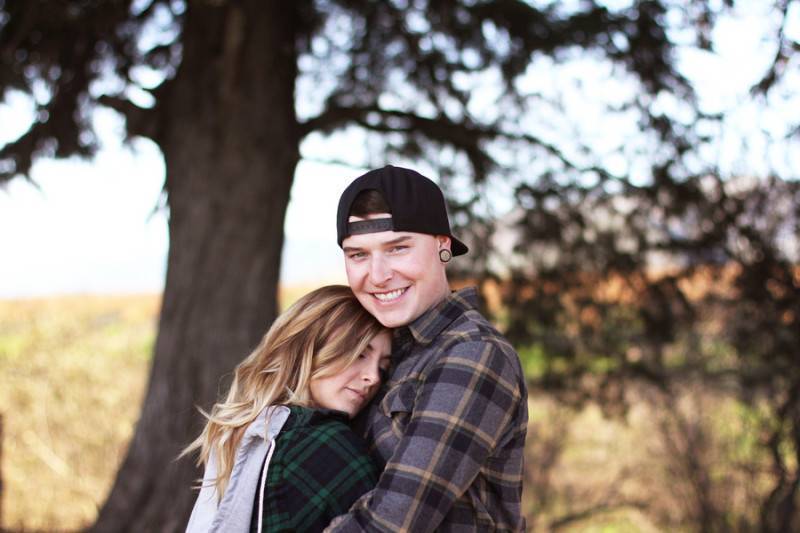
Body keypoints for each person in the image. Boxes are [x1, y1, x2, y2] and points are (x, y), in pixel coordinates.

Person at [327, 165, 529, 532]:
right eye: (358, 255)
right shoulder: (374, 349)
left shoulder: (473, 354)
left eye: (398, 248)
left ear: (443, 246)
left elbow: (391, 525)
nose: (378, 274)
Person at [183, 285, 392, 533]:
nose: (373, 377)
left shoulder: (253, 431)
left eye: (383, 366)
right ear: (308, 347)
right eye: (359, 355)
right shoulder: (325, 444)